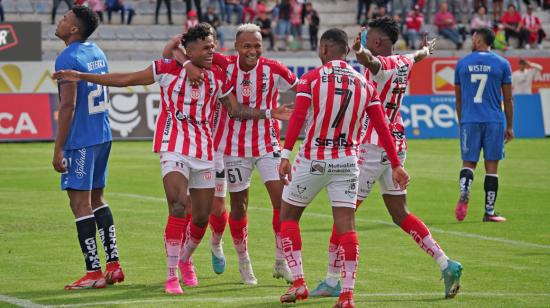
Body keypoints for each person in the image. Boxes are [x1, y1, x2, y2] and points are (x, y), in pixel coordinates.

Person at [54, 23, 292, 294]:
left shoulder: (217, 75)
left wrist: (270, 113)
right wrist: (83, 76)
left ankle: (185, 259)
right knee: (178, 206)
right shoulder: (166, 69)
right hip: (173, 146)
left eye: (213, 46)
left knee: (201, 218)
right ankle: (171, 276)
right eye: (206, 48)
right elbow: (126, 79)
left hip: (204, 150)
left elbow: (235, 111)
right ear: (189, 50)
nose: (212, 51)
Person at [310, 17, 463, 300]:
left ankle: (332, 280)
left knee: (344, 213)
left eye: (368, 36)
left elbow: (372, 63)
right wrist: (426, 51)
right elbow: (416, 56)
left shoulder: (382, 65)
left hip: (370, 146)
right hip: (396, 144)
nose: (364, 38)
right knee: (399, 213)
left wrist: (359, 53)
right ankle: (446, 263)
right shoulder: (404, 61)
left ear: (378, 42)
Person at [277, 28, 410, 307]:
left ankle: (299, 283)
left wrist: (285, 154)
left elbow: (299, 117)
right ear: (346, 51)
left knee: (288, 216)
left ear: (324, 49)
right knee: (346, 226)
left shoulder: (311, 79)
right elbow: (382, 127)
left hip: (313, 158)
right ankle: (347, 295)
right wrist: (396, 164)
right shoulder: (365, 84)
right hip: (347, 162)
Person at [164, 23, 299, 285]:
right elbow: (176, 52)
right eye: (246, 45)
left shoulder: (274, 68)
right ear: (236, 47)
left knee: (282, 201)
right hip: (230, 147)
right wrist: (186, 64)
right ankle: (239, 259)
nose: (252, 50)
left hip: (267, 143)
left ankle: (281, 261)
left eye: (257, 45)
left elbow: (303, 89)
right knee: (235, 207)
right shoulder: (222, 63)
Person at [52, 5, 124, 290]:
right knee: (97, 199)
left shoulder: (67, 57)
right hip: (102, 135)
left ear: (74, 29)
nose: (60, 21)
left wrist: (58, 149)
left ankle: (93, 272)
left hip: (81, 140)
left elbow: (68, 105)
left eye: (65, 19)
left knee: (79, 203)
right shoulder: (96, 51)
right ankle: (113, 265)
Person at [454, 27, 514, 223]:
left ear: (479, 40)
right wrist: (510, 126)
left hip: (470, 120)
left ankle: (465, 191)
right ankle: (489, 212)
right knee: (492, 167)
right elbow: (508, 98)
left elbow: (459, 99)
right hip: (494, 120)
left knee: (469, 163)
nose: (472, 41)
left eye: (473, 38)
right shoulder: (502, 64)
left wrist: (462, 122)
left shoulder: (462, 64)